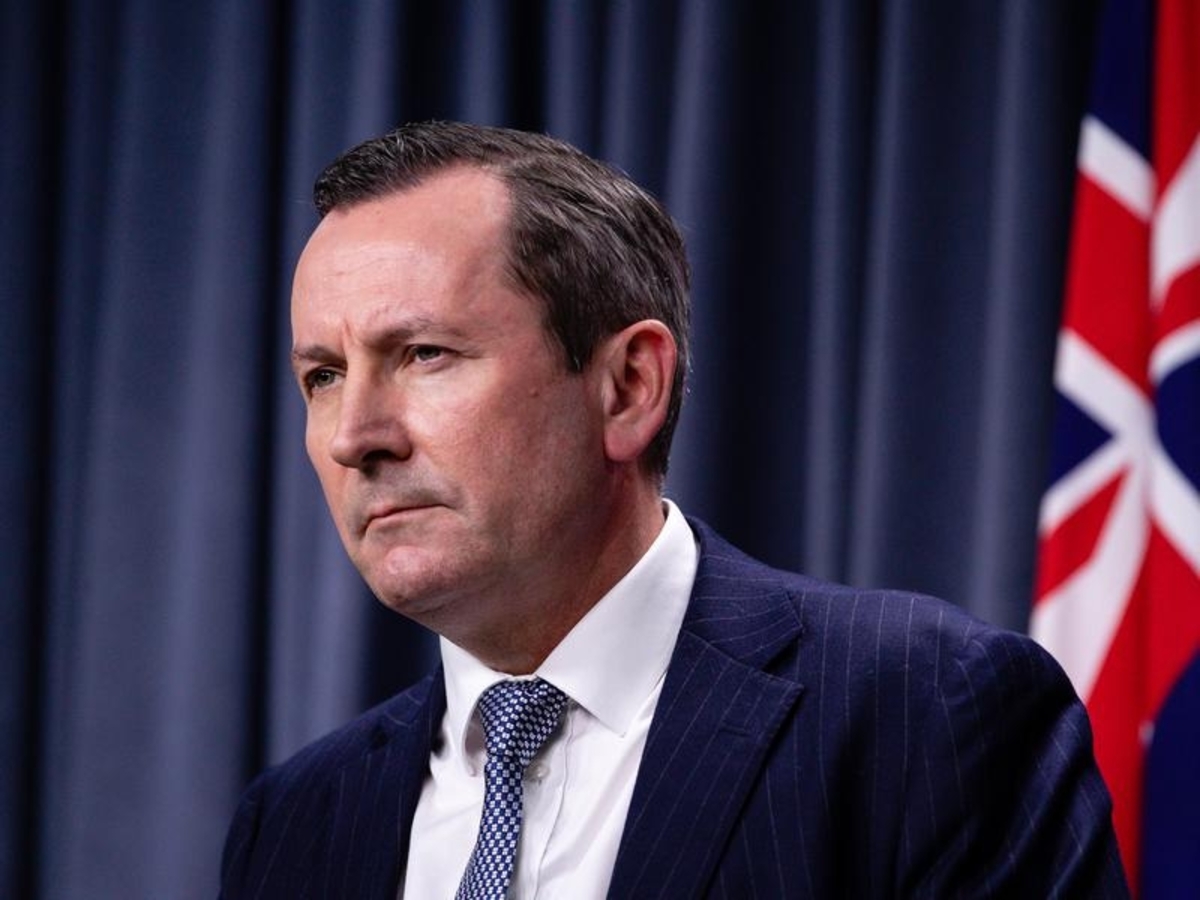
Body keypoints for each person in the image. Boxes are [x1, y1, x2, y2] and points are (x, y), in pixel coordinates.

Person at [219, 121, 1129, 899]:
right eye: (324, 377)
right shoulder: (295, 823)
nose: (355, 436)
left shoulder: (922, 715)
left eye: (424, 354)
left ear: (628, 387)